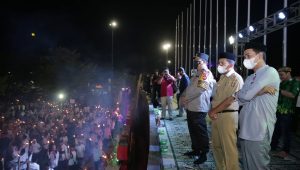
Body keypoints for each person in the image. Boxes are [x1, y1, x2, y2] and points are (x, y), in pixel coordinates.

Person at [234, 42, 280, 170]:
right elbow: (240, 100)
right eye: (244, 57)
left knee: (258, 166)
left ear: (259, 55)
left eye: (248, 55)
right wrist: (259, 91)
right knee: (247, 165)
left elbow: (246, 95)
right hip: (245, 128)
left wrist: (246, 94)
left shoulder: (269, 72)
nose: (245, 60)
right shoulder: (250, 78)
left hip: (259, 129)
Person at [208, 52, 244, 170]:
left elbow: (229, 100)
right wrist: (213, 111)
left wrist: (213, 111)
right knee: (216, 146)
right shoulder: (222, 77)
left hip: (228, 116)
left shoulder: (236, 78)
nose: (219, 65)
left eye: (222, 63)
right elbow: (217, 97)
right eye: (219, 63)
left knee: (229, 148)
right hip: (216, 115)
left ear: (230, 64)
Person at [180, 53, 216, 164]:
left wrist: (186, 98)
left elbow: (201, 89)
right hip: (191, 106)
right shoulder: (197, 74)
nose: (197, 64)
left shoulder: (205, 74)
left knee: (201, 132)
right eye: (196, 62)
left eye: (199, 62)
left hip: (199, 107)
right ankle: (196, 150)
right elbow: (189, 88)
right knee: (193, 130)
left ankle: (204, 153)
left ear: (205, 62)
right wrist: (182, 96)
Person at [271, 67, 300, 159]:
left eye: (282, 74)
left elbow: (292, 95)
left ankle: (285, 151)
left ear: (288, 73)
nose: (280, 76)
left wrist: (278, 90)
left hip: (287, 112)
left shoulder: (294, 82)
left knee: (286, 133)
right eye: (279, 75)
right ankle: (272, 147)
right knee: (276, 131)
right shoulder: (281, 82)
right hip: (278, 111)